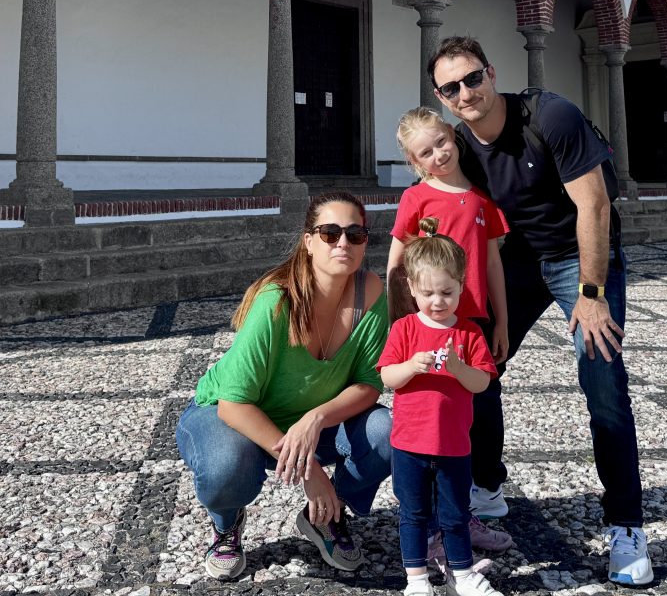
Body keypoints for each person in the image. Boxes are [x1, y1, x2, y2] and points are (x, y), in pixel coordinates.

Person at [428, 35, 653, 587]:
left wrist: (591, 294)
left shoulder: (550, 116)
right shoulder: (458, 146)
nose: (465, 93)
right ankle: (487, 487)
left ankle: (626, 525)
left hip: (582, 256)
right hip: (518, 263)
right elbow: (439, 210)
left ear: (491, 73)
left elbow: (594, 204)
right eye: (451, 88)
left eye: (473, 78)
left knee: (602, 381)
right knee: (476, 367)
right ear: (442, 98)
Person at [176, 192, 392, 581]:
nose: (343, 242)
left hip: (308, 420)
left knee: (388, 432)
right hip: (233, 416)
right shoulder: (276, 300)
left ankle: (326, 514)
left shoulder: (371, 291)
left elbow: (368, 384)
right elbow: (234, 404)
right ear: (308, 241)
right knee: (227, 466)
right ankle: (226, 523)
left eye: (355, 234)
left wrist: (316, 418)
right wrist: (310, 470)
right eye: (330, 233)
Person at [387, 106, 513, 555]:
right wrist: (400, 320)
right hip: (428, 323)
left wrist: (502, 320)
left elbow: (493, 263)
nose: (438, 154)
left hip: (472, 323)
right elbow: (397, 262)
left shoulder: (481, 200)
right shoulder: (416, 199)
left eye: (441, 142)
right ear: (414, 161)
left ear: (452, 136)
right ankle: (430, 521)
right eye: (426, 152)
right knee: (431, 415)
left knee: (479, 413)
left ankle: (469, 505)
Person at [379, 220, 503, 596]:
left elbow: (482, 382)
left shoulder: (469, 333)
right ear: (412, 288)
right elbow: (387, 376)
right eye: (429, 292)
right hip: (409, 445)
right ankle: (416, 579)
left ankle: (461, 575)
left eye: (447, 292)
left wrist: (458, 368)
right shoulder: (404, 329)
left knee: (456, 514)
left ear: (462, 285)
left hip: (454, 445)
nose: (438, 301)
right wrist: (411, 366)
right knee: (413, 514)